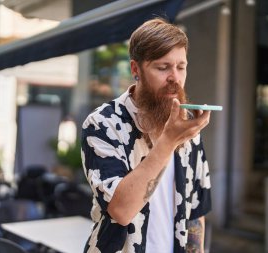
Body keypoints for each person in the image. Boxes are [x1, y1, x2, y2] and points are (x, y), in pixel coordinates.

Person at [81, 18, 212, 253]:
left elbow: (195, 212)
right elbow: (120, 211)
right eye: (163, 67)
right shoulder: (103, 124)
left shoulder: (188, 125)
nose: (175, 78)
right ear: (135, 69)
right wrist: (168, 142)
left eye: (181, 67)